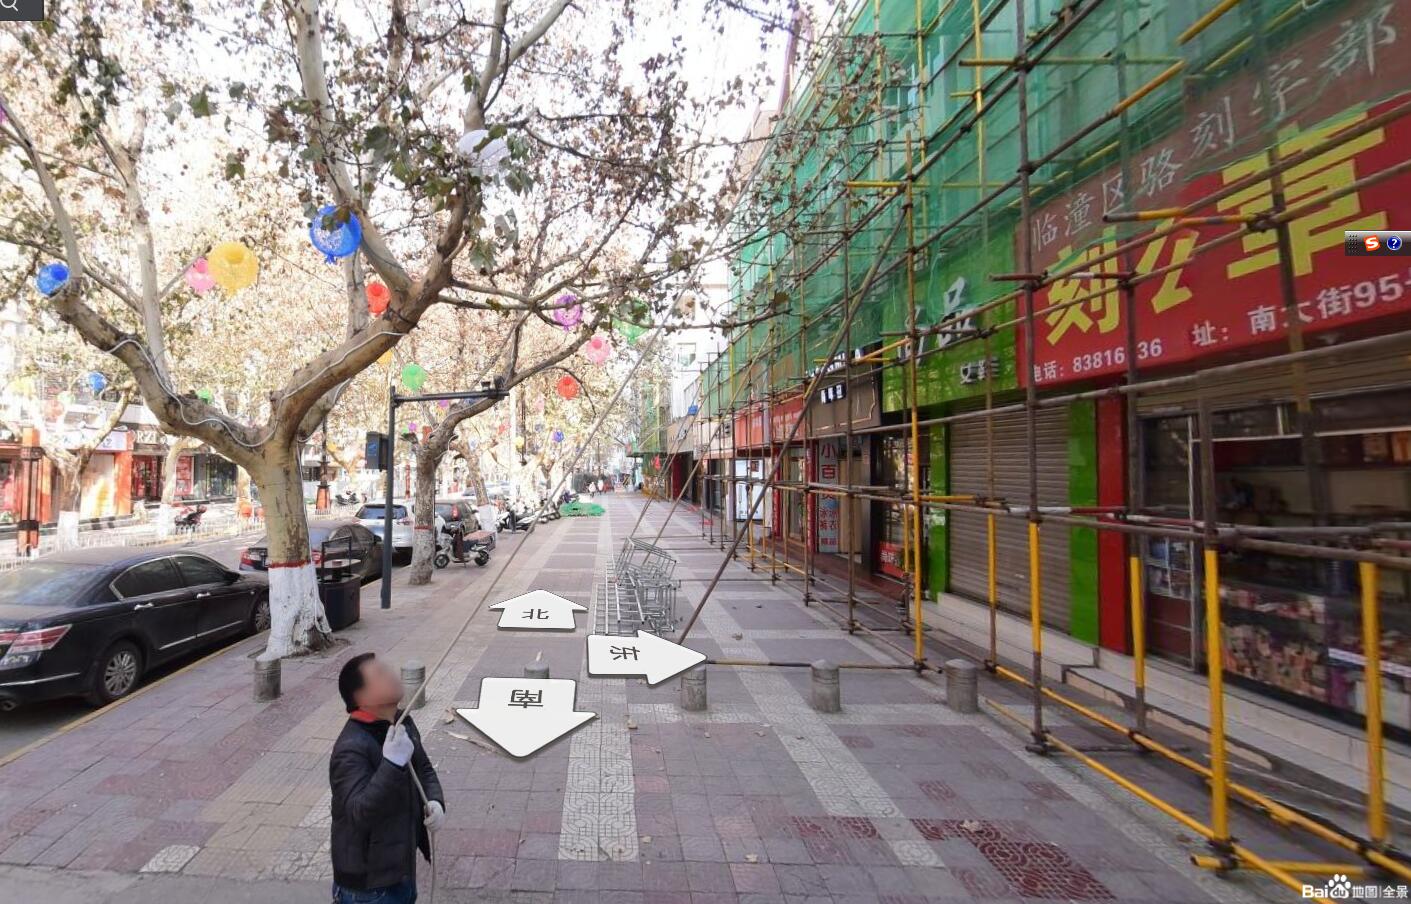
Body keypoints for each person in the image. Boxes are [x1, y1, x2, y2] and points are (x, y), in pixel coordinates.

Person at [330, 653, 445, 904]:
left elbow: (424, 769)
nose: (391, 674)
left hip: (400, 870)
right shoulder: (350, 748)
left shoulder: (402, 722)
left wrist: (435, 801)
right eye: (380, 673)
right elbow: (360, 813)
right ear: (361, 697)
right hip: (367, 889)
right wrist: (392, 765)